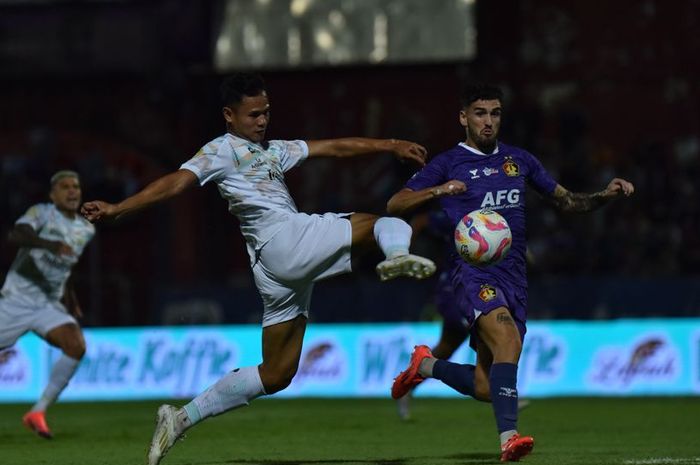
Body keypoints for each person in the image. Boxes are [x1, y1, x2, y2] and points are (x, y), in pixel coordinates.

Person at [80, 72, 437, 465]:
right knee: (383, 222)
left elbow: (334, 147)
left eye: (266, 112)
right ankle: (397, 255)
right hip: (283, 239)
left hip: (273, 269)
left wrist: (391, 145)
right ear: (229, 116)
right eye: (253, 115)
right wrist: (119, 208)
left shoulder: (274, 149)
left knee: (277, 372)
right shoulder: (220, 150)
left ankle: (180, 419)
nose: (262, 121)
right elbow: (176, 184)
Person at [387, 83, 634, 461]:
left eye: (495, 113)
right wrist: (439, 191)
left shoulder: (520, 161)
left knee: (488, 384)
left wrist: (605, 195)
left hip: (514, 277)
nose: (488, 121)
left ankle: (426, 364)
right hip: (471, 274)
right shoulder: (448, 163)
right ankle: (509, 438)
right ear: (463, 117)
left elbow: (567, 201)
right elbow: (396, 203)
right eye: (480, 113)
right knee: (508, 341)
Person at [395, 210, 531, 421]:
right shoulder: (456, 215)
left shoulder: (491, 216)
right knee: (493, 334)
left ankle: (413, 379)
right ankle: (501, 391)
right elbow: (421, 218)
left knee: (446, 348)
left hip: (478, 289)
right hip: (454, 289)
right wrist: (404, 250)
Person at [0, 170, 95, 439]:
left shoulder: (85, 229)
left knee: (75, 345)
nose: (72, 191)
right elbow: (16, 235)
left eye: (75, 186)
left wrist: (71, 297)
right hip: (15, 301)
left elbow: (67, 266)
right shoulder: (41, 213)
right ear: (53, 195)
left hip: (47, 305)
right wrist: (48, 244)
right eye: (64, 187)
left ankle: (37, 412)